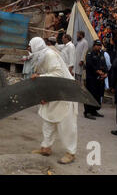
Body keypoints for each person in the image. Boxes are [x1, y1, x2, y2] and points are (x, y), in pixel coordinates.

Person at [29, 37, 78, 165]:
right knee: (48, 120)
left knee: (66, 125)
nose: (28, 48)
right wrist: (44, 95)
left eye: (30, 46)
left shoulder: (50, 55)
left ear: (36, 46)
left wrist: (39, 77)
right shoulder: (40, 57)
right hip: (53, 93)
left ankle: (71, 153)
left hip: (65, 93)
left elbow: (58, 74)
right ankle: (46, 147)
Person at [84, 40, 108, 120]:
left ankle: (94, 110)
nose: (99, 47)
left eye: (100, 45)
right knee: (90, 95)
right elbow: (90, 64)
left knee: (97, 95)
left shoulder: (101, 53)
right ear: (94, 45)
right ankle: (87, 112)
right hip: (91, 79)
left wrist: (105, 73)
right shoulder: (90, 53)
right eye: (97, 45)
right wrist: (98, 71)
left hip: (99, 79)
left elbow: (104, 64)